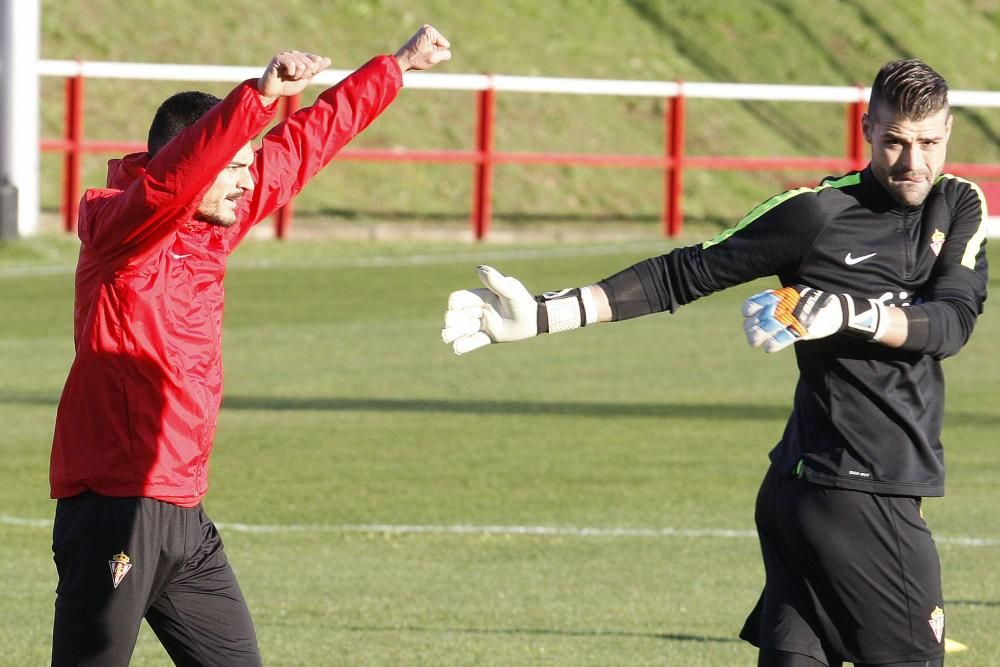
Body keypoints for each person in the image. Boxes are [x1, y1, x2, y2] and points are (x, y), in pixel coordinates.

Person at [442, 58, 987, 667]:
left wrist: (849, 313)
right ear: (866, 129)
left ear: (948, 134)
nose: (913, 163)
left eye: (929, 143)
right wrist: (546, 314)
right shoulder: (815, 214)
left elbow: (950, 323)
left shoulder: (958, 204)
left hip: (813, 489)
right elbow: (684, 272)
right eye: (895, 142)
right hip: (857, 493)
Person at [49, 25, 451, 666]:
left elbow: (305, 144)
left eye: (245, 166)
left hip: (185, 516)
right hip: (114, 511)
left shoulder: (211, 232)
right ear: (189, 162)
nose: (245, 181)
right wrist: (257, 96)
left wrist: (397, 67)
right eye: (233, 165)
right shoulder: (120, 232)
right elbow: (171, 186)